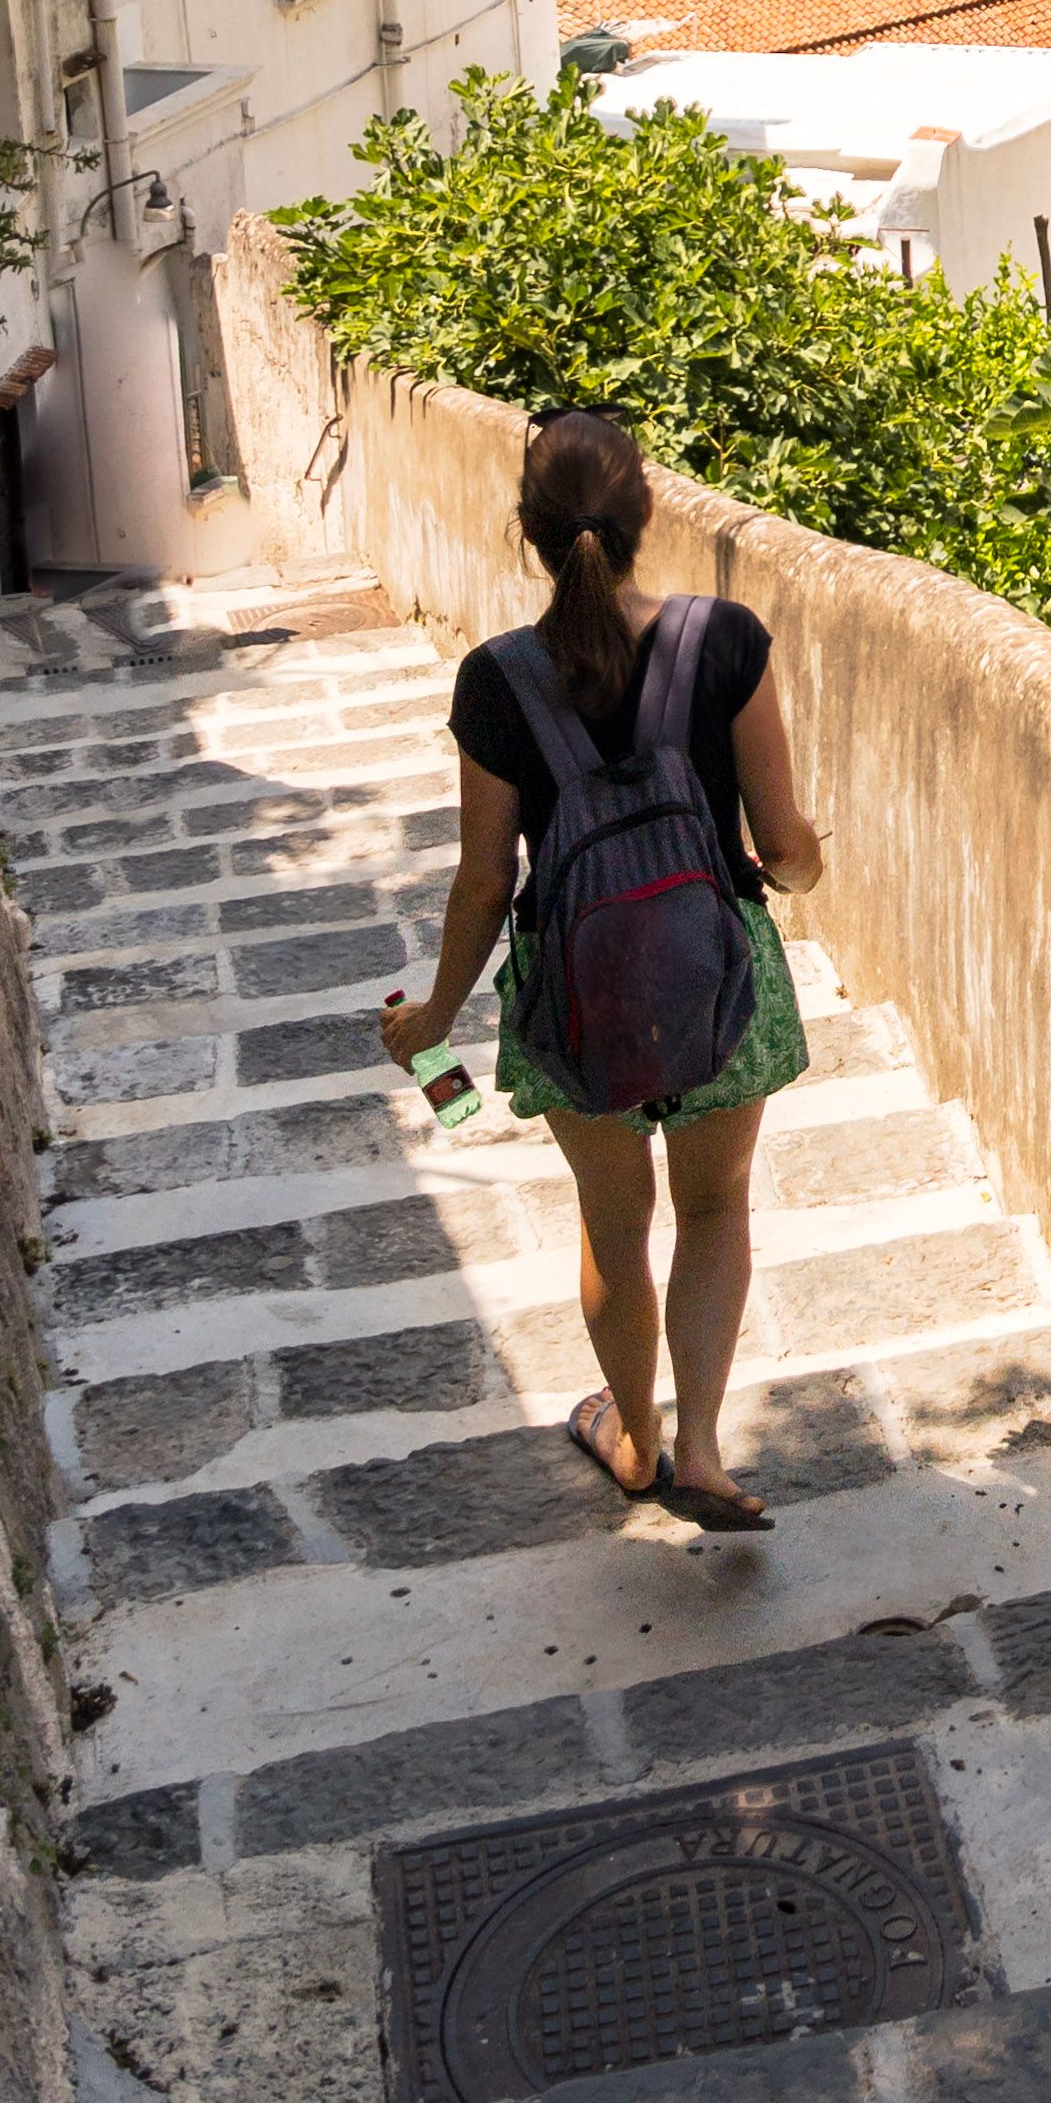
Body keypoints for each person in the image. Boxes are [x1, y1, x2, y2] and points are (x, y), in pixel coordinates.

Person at [378, 408, 823, 1529]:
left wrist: (434, 1013)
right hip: (720, 984)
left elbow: (485, 880)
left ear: (528, 531)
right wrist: (800, 864)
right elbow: (785, 848)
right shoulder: (727, 641)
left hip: (574, 1002)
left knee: (613, 1224)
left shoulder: (497, 680)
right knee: (714, 1205)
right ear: (648, 514)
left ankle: (634, 1437)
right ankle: (709, 1446)